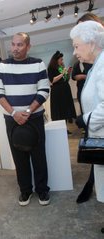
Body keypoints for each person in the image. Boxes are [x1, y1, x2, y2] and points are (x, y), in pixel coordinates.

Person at [0, 32, 50, 206]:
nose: (15, 48)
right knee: (19, 156)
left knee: (39, 155)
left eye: (20, 45)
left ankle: (42, 191)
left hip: (34, 117)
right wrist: (14, 113)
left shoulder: (38, 64)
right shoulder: (1, 66)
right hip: (12, 119)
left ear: (28, 46)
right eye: (13, 44)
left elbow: (44, 90)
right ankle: (25, 191)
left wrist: (26, 111)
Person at [70, 21, 104, 204]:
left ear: (91, 43)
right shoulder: (98, 64)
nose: (74, 52)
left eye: (76, 46)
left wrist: (86, 119)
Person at [47, 51, 76, 134]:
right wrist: (62, 73)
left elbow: (66, 79)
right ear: (56, 60)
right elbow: (52, 80)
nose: (62, 61)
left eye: (62, 59)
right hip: (57, 93)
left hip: (65, 91)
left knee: (65, 110)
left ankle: (65, 128)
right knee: (59, 110)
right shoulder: (51, 68)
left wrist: (68, 73)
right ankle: (60, 129)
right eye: (61, 59)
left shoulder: (61, 67)